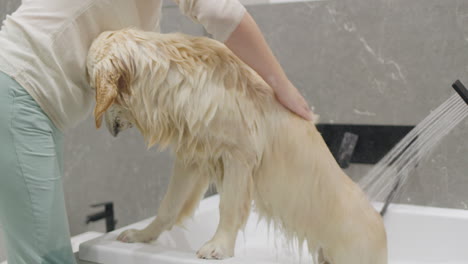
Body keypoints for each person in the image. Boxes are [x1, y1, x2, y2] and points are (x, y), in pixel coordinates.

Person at [0, 0, 313, 263]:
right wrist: (281, 87)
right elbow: (221, 13)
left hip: (27, 96)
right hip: (17, 86)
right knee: (45, 258)